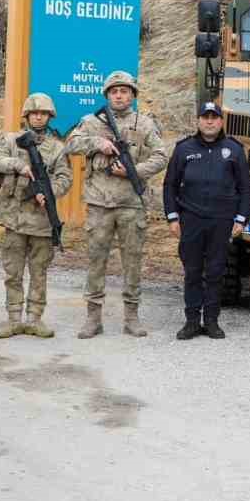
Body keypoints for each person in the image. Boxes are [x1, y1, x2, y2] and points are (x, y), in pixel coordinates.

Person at [65, 71, 168, 339]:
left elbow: (161, 156)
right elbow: (71, 145)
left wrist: (135, 169)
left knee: (132, 262)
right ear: (107, 96)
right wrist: (98, 142)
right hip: (99, 201)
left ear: (132, 95)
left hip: (131, 204)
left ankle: (131, 317)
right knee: (96, 261)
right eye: (114, 91)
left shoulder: (144, 123)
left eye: (124, 91)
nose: (119, 95)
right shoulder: (91, 122)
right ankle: (93, 318)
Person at [0, 93, 73, 340]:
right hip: (13, 219)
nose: (38, 117)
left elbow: (65, 177)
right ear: (26, 116)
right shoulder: (11, 141)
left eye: (43, 113)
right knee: (12, 272)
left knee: (39, 271)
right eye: (34, 113)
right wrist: (17, 165)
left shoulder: (57, 148)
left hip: (41, 221)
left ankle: (34, 318)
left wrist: (49, 193)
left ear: (49, 117)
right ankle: (14, 318)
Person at [163, 101, 250, 340]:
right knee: (192, 271)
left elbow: (245, 187)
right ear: (198, 121)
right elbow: (169, 184)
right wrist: (172, 217)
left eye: (214, 117)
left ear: (221, 121)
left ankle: (211, 321)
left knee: (215, 272)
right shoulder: (183, 149)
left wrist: (241, 218)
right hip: (190, 219)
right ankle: (192, 321)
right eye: (205, 117)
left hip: (222, 221)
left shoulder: (234, 149)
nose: (209, 121)